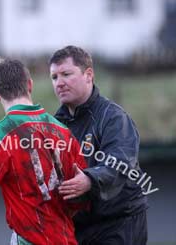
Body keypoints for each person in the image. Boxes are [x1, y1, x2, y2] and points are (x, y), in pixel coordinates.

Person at [0, 58, 89, 245]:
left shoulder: (0, 134)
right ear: (30, 85)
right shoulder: (63, 131)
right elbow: (81, 197)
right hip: (67, 239)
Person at [49, 46, 148, 245]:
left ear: (89, 75)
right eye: (54, 77)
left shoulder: (113, 117)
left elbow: (121, 163)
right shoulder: (53, 124)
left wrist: (90, 180)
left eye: (66, 74)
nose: (59, 83)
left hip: (119, 223)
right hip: (78, 225)